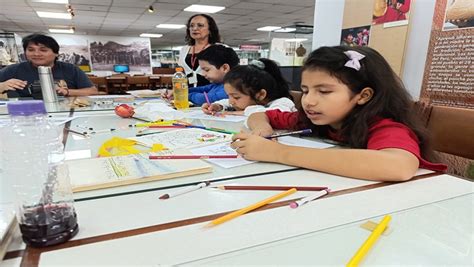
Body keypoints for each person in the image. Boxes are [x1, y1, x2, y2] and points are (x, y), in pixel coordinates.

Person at [231, 46, 447, 182]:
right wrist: (262, 127)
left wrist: (277, 152)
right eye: (305, 91)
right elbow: (260, 114)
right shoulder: (314, 118)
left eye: (324, 91)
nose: (308, 101)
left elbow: (398, 166)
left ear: (363, 96)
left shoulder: (385, 127)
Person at [0, 34, 97, 98]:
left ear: (56, 53)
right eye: (31, 50)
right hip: (26, 114)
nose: (36, 54)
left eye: (43, 50)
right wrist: (2, 86)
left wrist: (66, 92)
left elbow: (92, 91)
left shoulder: (70, 69)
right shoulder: (13, 69)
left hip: (65, 111)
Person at [203, 58, 296, 116]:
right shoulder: (247, 102)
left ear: (260, 94)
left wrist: (236, 113)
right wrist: (218, 106)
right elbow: (227, 102)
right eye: (228, 96)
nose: (231, 101)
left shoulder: (283, 103)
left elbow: (270, 115)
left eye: (236, 97)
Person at [179, 14, 221, 88]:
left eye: (200, 25)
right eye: (191, 26)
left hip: (210, 93)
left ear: (210, 29)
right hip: (188, 92)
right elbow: (181, 74)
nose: (194, 28)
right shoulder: (184, 50)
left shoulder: (219, 49)